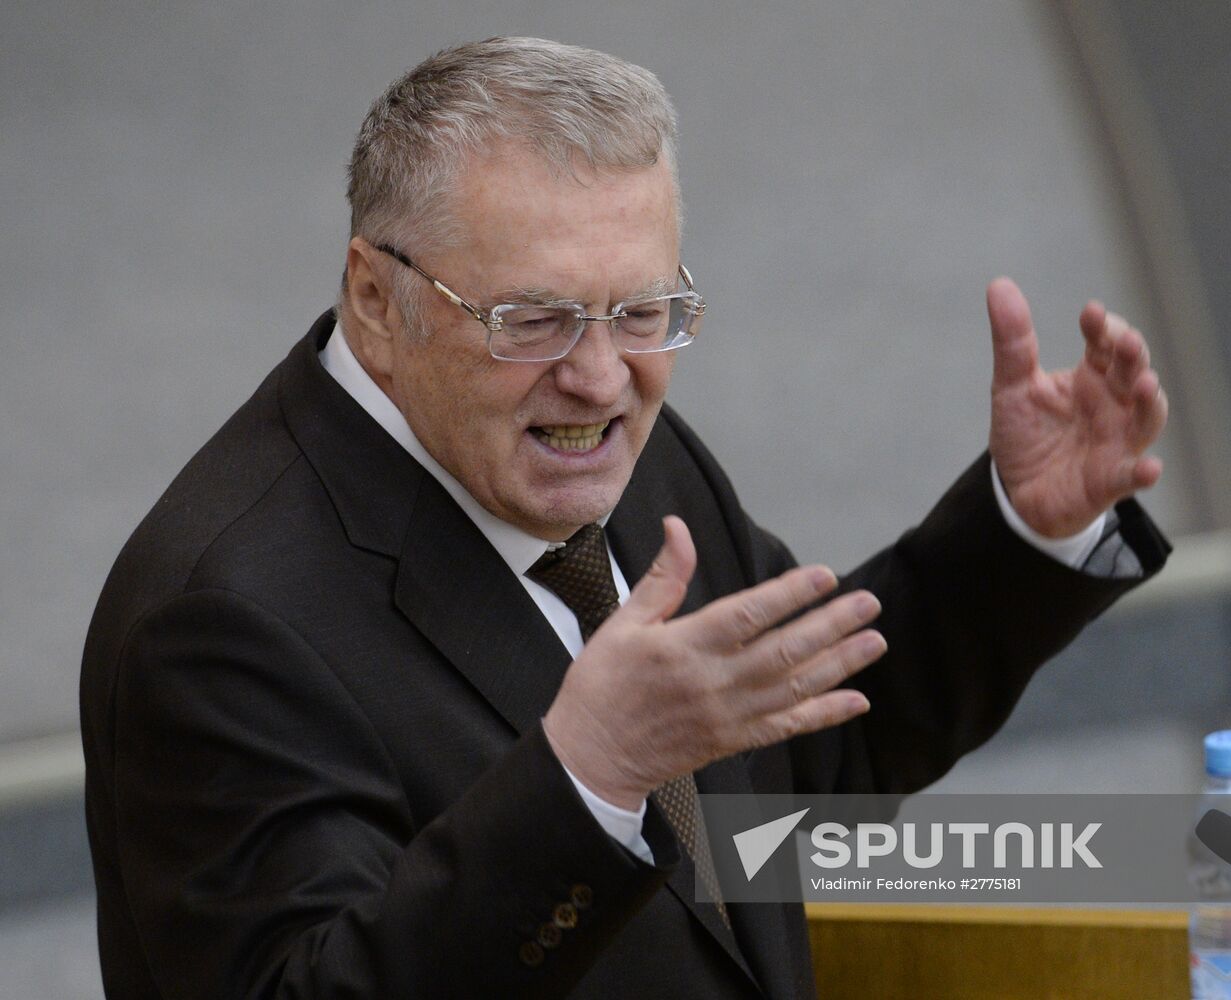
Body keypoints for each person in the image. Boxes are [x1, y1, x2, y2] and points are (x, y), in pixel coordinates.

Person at [80, 37, 1171, 1000]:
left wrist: (1020, 531)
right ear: (377, 300)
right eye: (535, 318)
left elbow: (798, 763)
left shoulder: (593, 449)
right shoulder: (222, 624)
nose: (602, 379)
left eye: (643, 310)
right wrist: (584, 778)